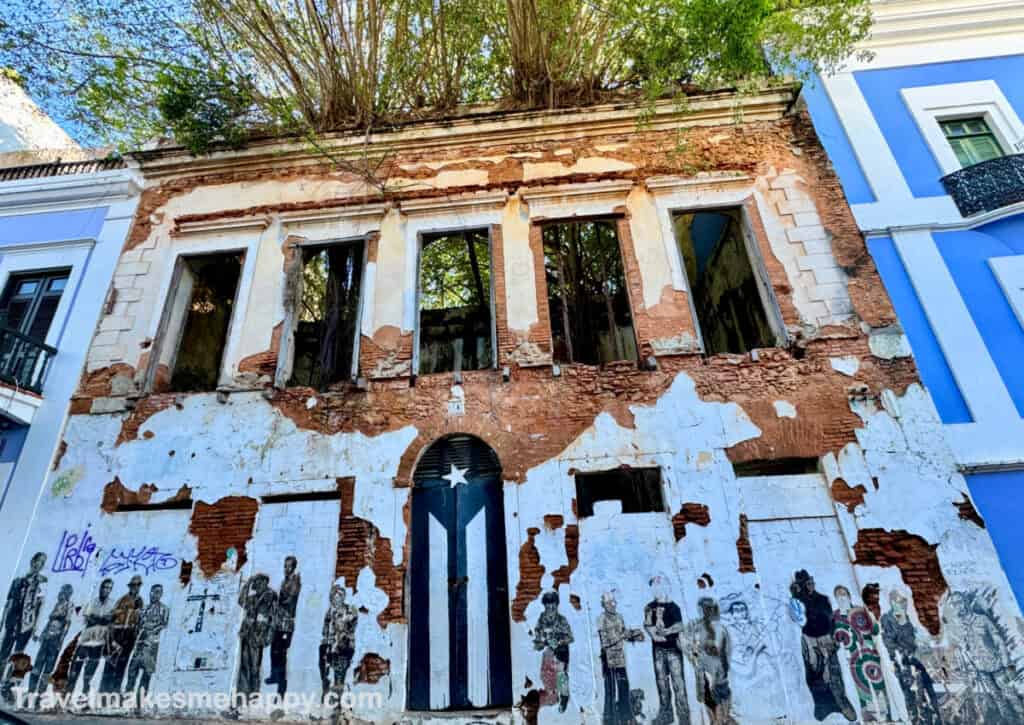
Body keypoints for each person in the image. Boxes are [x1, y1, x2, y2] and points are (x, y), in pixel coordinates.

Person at [789, 570, 856, 722]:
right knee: (814, 673)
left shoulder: (823, 599)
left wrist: (832, 638)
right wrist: (795, 596)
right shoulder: (798, 601)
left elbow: (830, 619)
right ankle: (822, 705)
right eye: (806, 583)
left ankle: (841, 703)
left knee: (833, 672)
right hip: (809, 639)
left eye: (811, 582)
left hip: (825, 637)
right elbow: (799, 619)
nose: (810, 585)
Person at [880, 589, 940, 725]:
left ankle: (930, 718)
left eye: (904, 601)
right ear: (891, 602)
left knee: (927, 691)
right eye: (898, 601)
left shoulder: (908, 617)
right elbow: (889, 643)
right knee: (911, 696)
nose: (902, 604)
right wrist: (906, 653)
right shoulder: (887, 619)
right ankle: (915, 720)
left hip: (917, 661)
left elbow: (916, 637)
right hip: (903, 664)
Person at [831, 586, 890, 722]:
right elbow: (834, 637)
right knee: (860, 684)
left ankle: (885, 711)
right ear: (835, 598)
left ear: (849, 595)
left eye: (844, 594)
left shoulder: (860, 610)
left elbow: (874, 629)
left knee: (877, 681)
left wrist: (871, 617)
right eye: (838, 595)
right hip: (851, 656)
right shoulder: (835, 617)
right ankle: (867, 714)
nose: (842, 597)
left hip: (869, 652)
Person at [644, 575, 688, 725]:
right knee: (661, 683)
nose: (655, 590)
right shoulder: (649, 607)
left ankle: (684, 718)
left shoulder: (673, 607)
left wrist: (667, 631)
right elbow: (648, 624)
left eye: (658, 586)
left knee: (678, 684)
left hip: (673, 650)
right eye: (653, 587)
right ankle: (666, 714)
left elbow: (680, 625)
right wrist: (653, 634)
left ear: (665, 587)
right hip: (658, 651)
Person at [597, 590, 644, 725]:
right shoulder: (602, 619)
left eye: (614, 602)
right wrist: (622, 636)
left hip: (620, 659)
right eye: (610, 602)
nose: (613, 604)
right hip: (608, 660)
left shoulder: (619, 617)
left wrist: (634, 635)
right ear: (604, 604)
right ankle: (609, 720)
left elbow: (623, 633)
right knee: (610, 692)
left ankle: (626, 718)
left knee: (624, 688)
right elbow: (605, 642)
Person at [68, 578, 115, 696]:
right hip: (86, 640)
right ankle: (66, 696)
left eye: (109, 588)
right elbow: (88, 618)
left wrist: (99, 619)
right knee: (75, 669)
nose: (106, 590)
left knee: (89, 674)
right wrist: (101, 619)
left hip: (99, 642)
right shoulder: (92, 602)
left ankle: (83, 698)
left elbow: (110, 620)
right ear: (100, 588)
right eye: (105, 587)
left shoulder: (112, 604)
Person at [690, 597, 732, 725]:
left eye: (709, 608)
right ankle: (716, 720)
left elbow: (725, 651)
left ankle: (721, 719)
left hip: (717, 673)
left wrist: (723, 668)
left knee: (719, 697)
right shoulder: (697, 628)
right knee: (709, 698)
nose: (706, 611)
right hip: (705, 673)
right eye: (704, 608)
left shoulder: (719, 628)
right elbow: (693, 649)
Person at [1, 552, 47, 668]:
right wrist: (2, 622)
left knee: (18, 655)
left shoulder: (41, 585)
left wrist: (36, 629)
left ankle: (8, 683)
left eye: (42, 563)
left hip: (27, 624)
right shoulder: (18, 581)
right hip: (13, 620)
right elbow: (9, 603)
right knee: (4, 652)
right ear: (32, 561)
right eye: (38, 561)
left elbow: (39, 608)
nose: (39, 565)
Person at [124, 584, 170, 695]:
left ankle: (141, 699)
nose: (155, 594)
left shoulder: (164, 609)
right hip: (140, 643)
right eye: (153, 592)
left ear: (161, 594)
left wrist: (153, 630)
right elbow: (138, 624)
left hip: (152, 644)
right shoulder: (144, 609)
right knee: (132, 671)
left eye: (158, 592)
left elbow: (164, 624)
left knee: (146, 673)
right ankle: (128, 694)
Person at [101, 575, 144, 693]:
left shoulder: (140, 601)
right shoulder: (123, 599)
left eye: (138, 586)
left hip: (130, 633)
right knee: (111, 661)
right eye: (133, 585)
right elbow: (112, 615)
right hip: (119, 631)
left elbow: (139, 619)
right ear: (130, 587)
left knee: (123, 662)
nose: (135, 588)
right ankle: (104, 690)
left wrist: (137, 630)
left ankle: (115, 689)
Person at [28, 584, 74, 694]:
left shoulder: (69, 605)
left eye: (65, 592)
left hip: (56, 639)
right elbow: (49, 622)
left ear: (68, 594)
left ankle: (40, 693)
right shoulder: (57, 604)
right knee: (37, 666)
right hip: (47, 637)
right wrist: (42, 634)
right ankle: (31, 691)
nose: (62, 594)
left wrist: (60, 640)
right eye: (62, 591)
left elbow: (67, 624)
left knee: (48, 668)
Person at [236, 573, 276, 697]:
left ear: (264, 582)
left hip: (258, 635)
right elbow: (241, 601)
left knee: (254, 667)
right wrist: (247, 583)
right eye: (256, 583)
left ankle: (253, 695)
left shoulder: (270, 596)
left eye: (259, 582)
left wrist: (268, 636)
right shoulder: (253, 598)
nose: (257, 585)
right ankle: (242, 695)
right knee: (244, 666)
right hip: (247, 633)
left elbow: (273, 618)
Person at [266, 556, 301, 696]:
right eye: (284, 566)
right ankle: (274, 675)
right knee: (274, 650)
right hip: (279, 621)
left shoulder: (295, 581)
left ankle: (282, 684)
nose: (286, 569)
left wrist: (276, 601)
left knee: (281, 653)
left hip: (286, 622)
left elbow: (289, 600)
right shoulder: (285, 581)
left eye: (289, 566)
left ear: (294, 567)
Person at [533, 590, 573, 712]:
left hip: (561, 651)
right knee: (546, 674)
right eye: (548, 604)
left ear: (557, 605)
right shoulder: (542, 619)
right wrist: (540, 641)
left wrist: (559, 641)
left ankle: (564, 698)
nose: (550, 607)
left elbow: (570, 637)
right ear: (544, 605)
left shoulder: (562, 620)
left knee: (561, 676)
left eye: (553, 604)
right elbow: (538, 634)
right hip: (548, 651)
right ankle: (552, 697)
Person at [319, 584, 358, 701]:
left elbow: (351, 628)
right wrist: (328, 638)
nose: (337, 599)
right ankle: (331, 696)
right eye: (335, 597)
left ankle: (337, 699)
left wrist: (341, 635)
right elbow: (324, 629)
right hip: (331, 647)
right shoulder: (330, 612)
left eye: (340, 596)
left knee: (340, 673)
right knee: (329, 671)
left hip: (343, 647)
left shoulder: (349, 610)